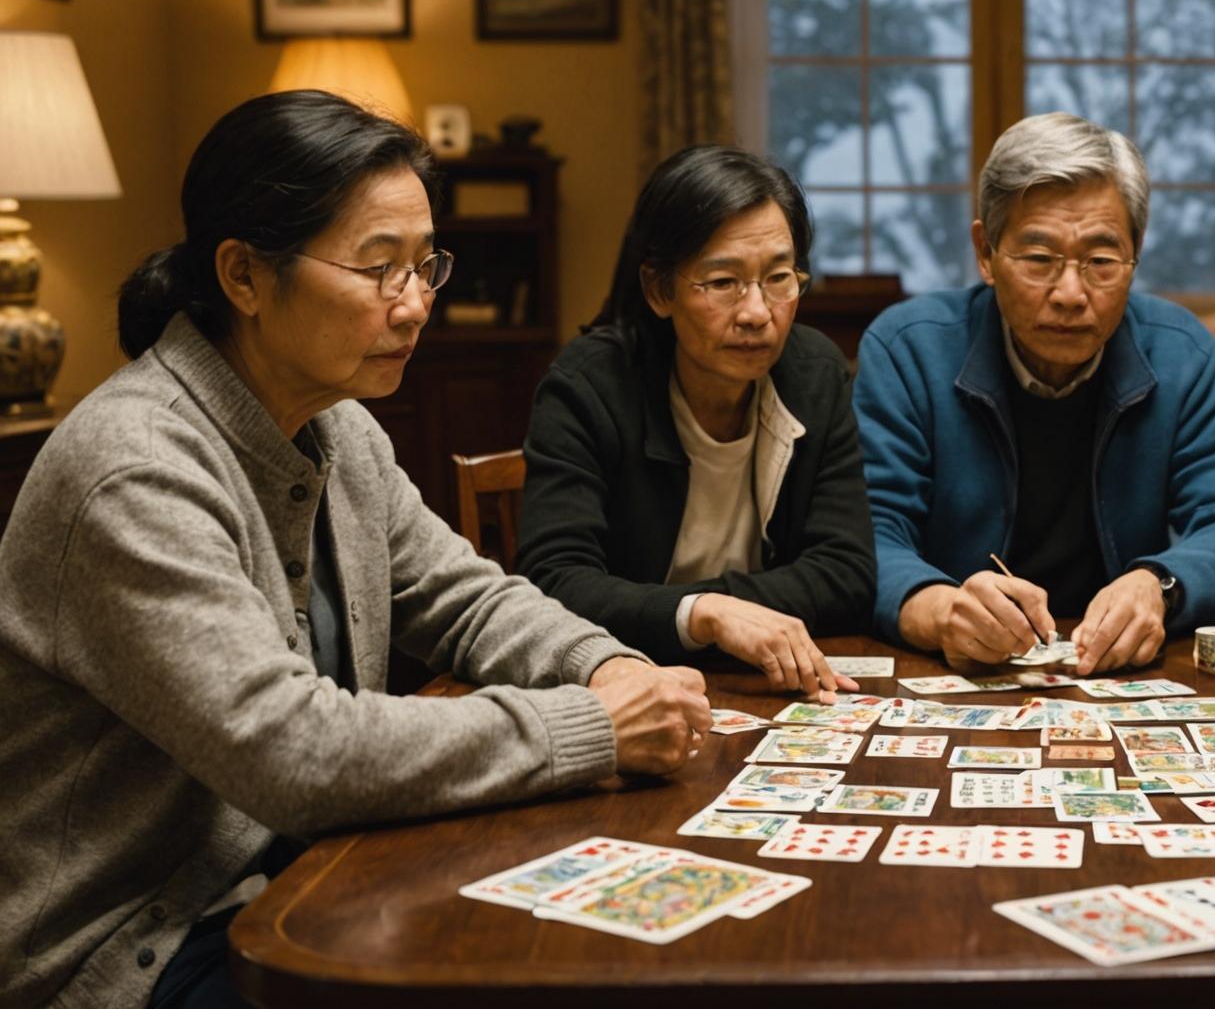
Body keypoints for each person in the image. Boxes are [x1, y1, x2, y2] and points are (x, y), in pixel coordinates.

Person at [0, 91, 710, 1009]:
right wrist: (589, 726)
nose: (415, 306)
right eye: (379, 269)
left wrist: (605, 665)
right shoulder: (133, 469)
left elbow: (468, 598)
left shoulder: (338, 428)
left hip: (305, 878)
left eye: (426, 266)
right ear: (244, 277)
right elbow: (294, 752)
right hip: (130, 953)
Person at [856, 112, 1215, 675]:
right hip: (957, 668)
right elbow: (867, 534)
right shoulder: (908, 349)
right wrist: (937, 609)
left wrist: (1159, 584)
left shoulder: (1180, 352)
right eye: (1039, 260)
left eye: (1101, 261)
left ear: (1135, 254)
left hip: (1119, 668)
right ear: (985, 252)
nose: (1071, 293)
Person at [520, 145, 875, 699]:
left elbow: (846, 572)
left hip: (769, 688)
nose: (757, 312)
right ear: (660, 290)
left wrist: (720, 611)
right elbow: (556, 583)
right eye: (723, 281)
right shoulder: (590, 386)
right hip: (625, 689)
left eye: (780, 278)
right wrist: (703, 614)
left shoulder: (815, 374)